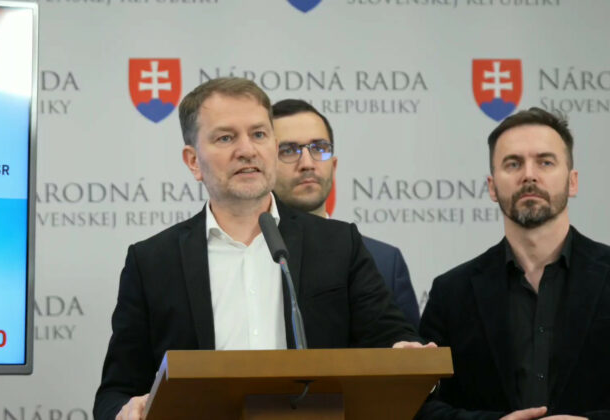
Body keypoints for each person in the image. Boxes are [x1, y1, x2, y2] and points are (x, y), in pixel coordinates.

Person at [94, 78, 430, 420]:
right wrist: (126, 410)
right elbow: (116, 391)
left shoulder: (338, 244)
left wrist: (405, 352)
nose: (247, 150)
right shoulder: (152, 262)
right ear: (193, 161)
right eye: (226, 138)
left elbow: (392, 337)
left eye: (258, 134)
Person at [417, 107, 610, 420]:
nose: (529, 175)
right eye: (513, 163)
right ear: (492, 187)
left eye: (545, 162)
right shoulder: (451, 293)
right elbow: (420, 406)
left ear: (572, 181)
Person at [271, 99, 420, 328]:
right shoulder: (251, 256)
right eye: (288, 151)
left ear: (334, 166)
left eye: (319, 148)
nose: (307, 163)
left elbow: (405, 346)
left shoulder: (384, 261)